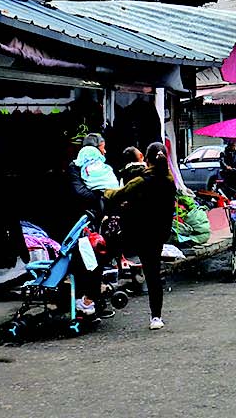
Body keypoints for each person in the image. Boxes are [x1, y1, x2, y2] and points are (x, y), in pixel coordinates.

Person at [105, 141, 177, 331]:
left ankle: (90, 297)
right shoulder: (170, 182)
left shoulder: (140, 181)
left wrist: (104, 192)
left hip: (138, 234)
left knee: (104, 250)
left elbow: (116, 196)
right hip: (159, 235)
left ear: (147, 159)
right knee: (153, 274)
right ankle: (156, 317)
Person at [66, 133, 113, 318]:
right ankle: (83, 303)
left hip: (96, 222)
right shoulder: (75, 167)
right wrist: (99, 196)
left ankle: (92, 302)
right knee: (85, 263)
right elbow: (79, 192)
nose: (105, 150)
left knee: (97, 262)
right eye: (103, 146)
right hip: (81, 223)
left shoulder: (101, 167)